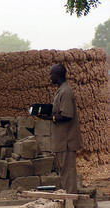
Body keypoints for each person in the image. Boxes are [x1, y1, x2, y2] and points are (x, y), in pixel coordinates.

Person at [39, 64, 83, 194]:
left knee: (68, 172)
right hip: (62, 140)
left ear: (57, 75)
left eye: (51, 74)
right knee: (64, 171)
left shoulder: (66, 91)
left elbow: (67, 115)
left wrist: (50, 118)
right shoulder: (61, 90)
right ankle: (68, 199)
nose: (49, 77)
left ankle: (70, 202)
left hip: (67, 141)